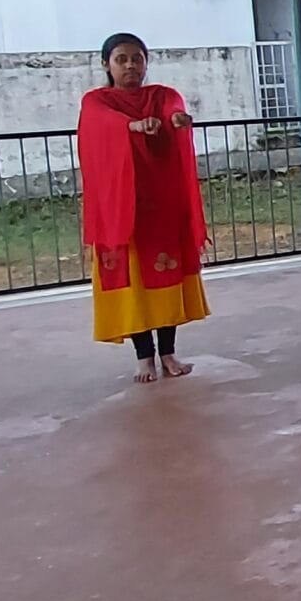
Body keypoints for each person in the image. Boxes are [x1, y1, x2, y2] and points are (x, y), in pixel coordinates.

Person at [77, 33, 208, 382]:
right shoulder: (96, 101)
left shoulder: (160, 95)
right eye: (121, 59)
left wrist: (177, 118)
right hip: (121, 208)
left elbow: (172, 106)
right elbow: (100, 124)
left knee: (166, 277)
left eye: (137, 58)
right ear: (107, 64)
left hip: (161, 203)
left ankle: (167, 352)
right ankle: (143, 356)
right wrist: (130, 126)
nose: (131, 65)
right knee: (133, 282)